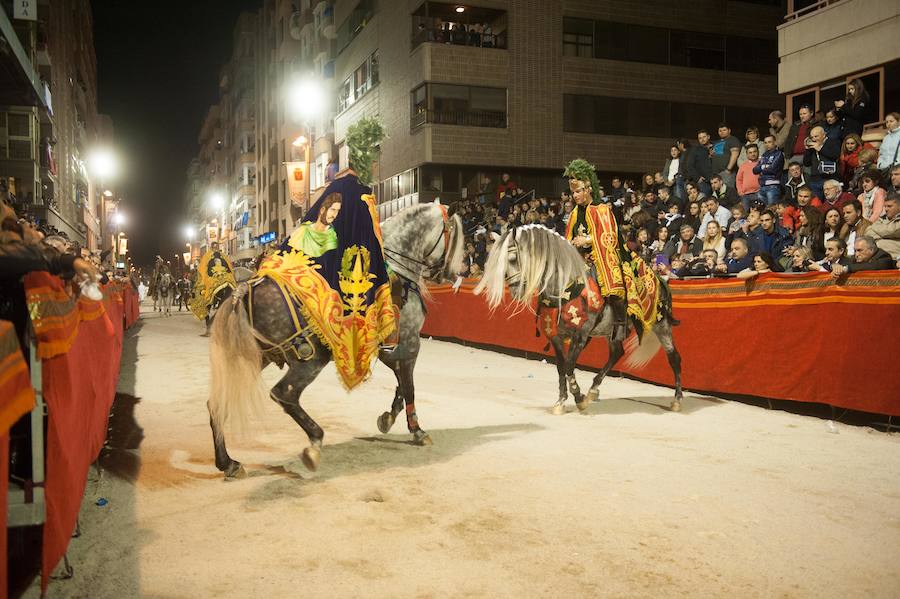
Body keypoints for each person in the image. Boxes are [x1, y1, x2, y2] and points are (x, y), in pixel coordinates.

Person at [803, 125, 841, 201]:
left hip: (829, 178)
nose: (814, 139)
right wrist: (807, 150)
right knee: (816, 205)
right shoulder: (812, 146)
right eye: (812, 137)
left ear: (824, 135)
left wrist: (820, 148)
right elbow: (806, 163)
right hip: (815, 180)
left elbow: (835, 155)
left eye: (816, 136)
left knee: (830, 203)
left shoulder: (832, 142)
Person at [831, 236, 896, 276]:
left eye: (860, 250)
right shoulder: (856, 257)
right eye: (855, 250)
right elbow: (845, 263)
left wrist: (847, 269)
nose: (856, 254)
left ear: (871, 250)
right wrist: (835, 266)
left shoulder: (884, 257)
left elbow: (872, 266)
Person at [753, 135, 784, 208]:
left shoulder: (778, 154)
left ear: (775, 142)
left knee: (772, 210)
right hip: (762, 186)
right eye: (765, 142)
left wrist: (761, 168)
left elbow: (772, 169)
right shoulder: (764, 155)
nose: (767, 144)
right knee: (761, 211)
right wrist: (764, 166)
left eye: (769, 142)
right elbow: (754, 170)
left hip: (773, 186)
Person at [867, 192, 900, 258]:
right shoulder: (881, 219)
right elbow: (868, 233)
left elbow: (893, 231)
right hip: (875, 256)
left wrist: (874, 229)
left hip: (894, 256)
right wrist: (885, 234)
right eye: (885, 206)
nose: (886, 209)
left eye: (889, 206)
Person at [785, 104, 817, 169]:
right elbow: (788, 141)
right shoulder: (795, 126)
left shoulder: (816, 125)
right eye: (800, 114)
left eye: (804, 113)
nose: (802, 116)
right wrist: (787, 156)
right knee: (791, 177)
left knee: (807, 177)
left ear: (811, 113)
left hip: (808, 157)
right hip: (794, 156)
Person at [710, 123, 741, 187]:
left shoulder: (733, 140)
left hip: (726, 173)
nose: (722, 132)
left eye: (724, 130)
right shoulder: (717, 142)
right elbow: (712, 154)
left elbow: (735, 154)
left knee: (728, 193)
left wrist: (728, 169)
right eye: (720, 131)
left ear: (729, 130)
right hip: (715, 174)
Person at [685, 130, 713, 195]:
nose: (702, 139)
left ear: (708, 137)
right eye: (700, 138)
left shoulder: (714, 147)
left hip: (714, 179)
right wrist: (697, 178)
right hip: (703, 182)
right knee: (703, 200)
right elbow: (689, 165)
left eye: (704, 137)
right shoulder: (695, 150)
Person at [736, 144, 761, 209]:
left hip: (759, 192)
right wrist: (740, 191)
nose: (753, 154)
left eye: (754, 151)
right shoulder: (743, 166)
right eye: (750, 152)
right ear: (747, 154)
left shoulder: (762, 163)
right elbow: (739, 179)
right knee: (746, 214)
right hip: (745, 195)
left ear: (758, 152)